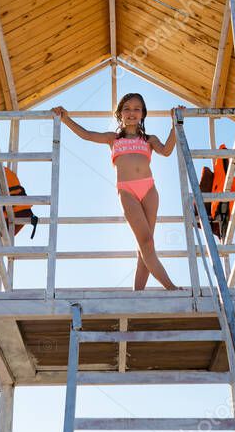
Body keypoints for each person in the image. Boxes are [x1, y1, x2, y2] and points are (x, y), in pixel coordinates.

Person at [52, 93, 182, 291]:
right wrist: (65, 118)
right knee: (146, 243)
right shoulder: (112, 138)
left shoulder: (149, 139)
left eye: (136, 109)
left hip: (149, 190)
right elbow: (86, 134)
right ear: (120, 113)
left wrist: (175, 124)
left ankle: (137, 296)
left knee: (145, 248)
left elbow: (166, 151)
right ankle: (170, 287)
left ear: (143, 114)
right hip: (127, 191)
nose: (131, 112)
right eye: (127, 108)